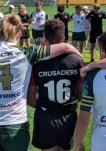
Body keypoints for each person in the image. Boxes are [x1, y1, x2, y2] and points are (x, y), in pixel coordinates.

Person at [0, 14, 82, 151]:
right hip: (16, 124)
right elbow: (65, 47)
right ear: (19, 34)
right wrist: (79, 56)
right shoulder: (27, 53)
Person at [28, 19, 84, 151]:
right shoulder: (77, 60)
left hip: (45, 116)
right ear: (64, 37)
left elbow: (30, 100)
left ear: (45, 38)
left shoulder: (37, 62)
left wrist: (45, 105)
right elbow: (80, 94)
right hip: (69, 115)